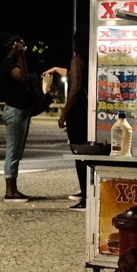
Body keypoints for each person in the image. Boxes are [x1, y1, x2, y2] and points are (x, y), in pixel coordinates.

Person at [0, 33, 36, 203]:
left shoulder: (14, 63)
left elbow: (26, 77)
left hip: (22, 111)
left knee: (17, 153)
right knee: (12, 152)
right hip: (14, 111)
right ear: (13, 45)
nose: (24, 50)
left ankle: (14, 189)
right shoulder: (7, 64)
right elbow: (22, 77)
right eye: (22, 47)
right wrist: (20, 55)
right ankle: (9, 191)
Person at [56, 24, 90, 210]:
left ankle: (85, 196)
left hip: (78, 112)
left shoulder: (77, 61)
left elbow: (75, 88)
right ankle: (88, 191)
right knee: (88, 154)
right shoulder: (92, 59)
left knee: (79, 153)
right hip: (89, 110)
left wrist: (64, 114)